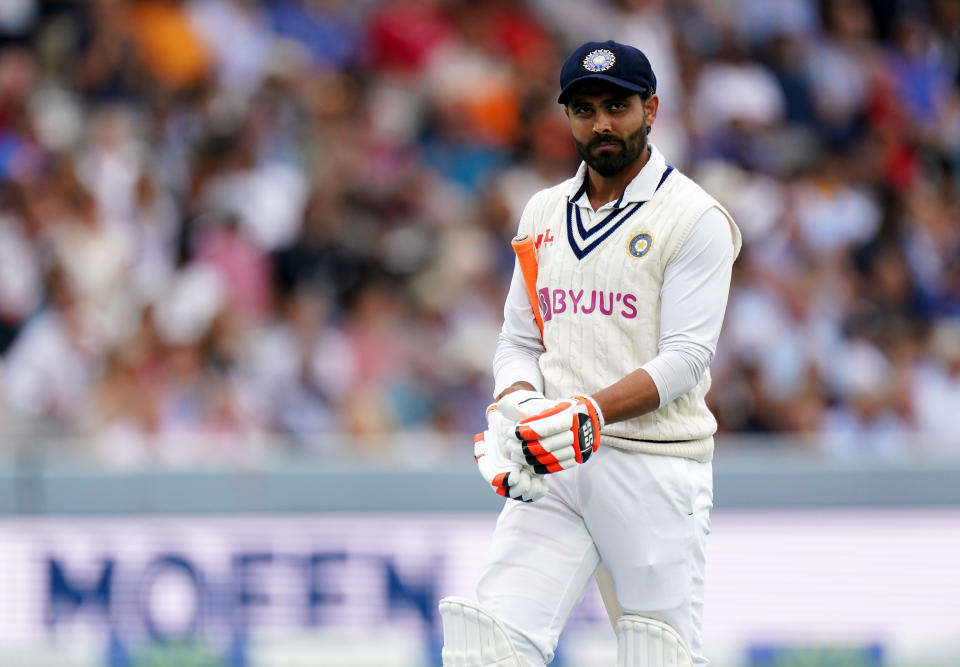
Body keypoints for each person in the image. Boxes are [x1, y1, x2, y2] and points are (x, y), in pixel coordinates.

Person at [439, 40, 741, 667]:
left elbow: (686, 357)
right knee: (487, 648)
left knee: (658, 656)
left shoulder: (695, 218)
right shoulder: (543, 211)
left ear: (651, 108)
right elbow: (521, 340)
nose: (601, 123)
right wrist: (519, 407)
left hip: (655, 466)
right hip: (556, 463)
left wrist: (586, 414)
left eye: (617, 106)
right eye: (583, 108)